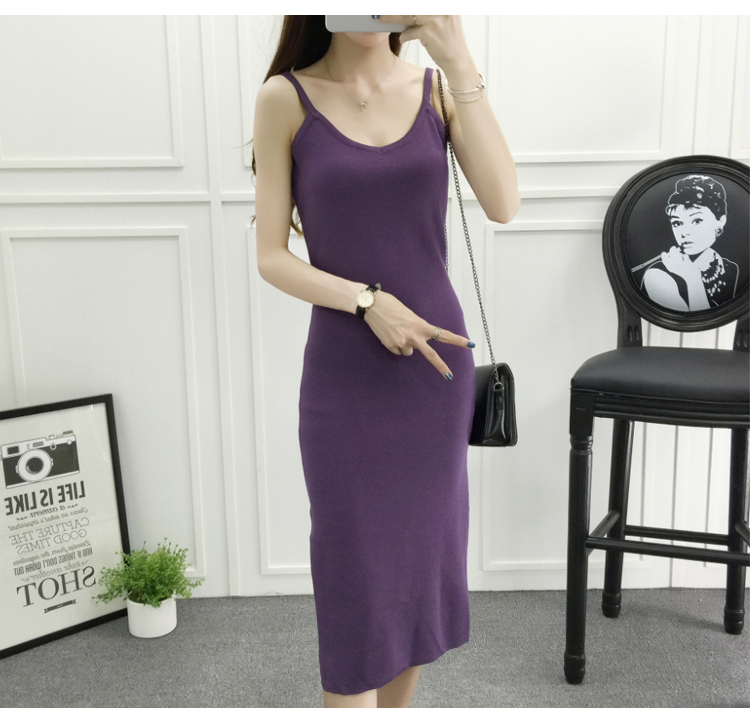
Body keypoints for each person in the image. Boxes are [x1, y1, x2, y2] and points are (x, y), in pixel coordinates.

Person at [250, 15, 520, 708]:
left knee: (416, 579)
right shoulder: (285, 98)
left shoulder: (437, 91)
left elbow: (503, 202)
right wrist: (367, 301)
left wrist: (458, 58)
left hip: (433, 378)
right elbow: (272, 256)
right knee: (355, 588)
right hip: (343, 380)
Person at [637, 174, 739, 312]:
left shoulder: (728, 267)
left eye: (697, 221)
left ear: (720, 221)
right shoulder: (657, 275)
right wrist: (692, 278)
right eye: (677, 223)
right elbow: (701, 320)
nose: (684, 232)